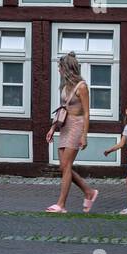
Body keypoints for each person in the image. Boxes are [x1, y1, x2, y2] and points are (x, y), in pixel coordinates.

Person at [45, 52, 99, 213]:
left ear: (66, 68)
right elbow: (63, 109)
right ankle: (89, 192)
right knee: (63, 167)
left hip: (76, 126)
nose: (58, 70)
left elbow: (87, 113)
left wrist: (84, 135)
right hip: (64, 126)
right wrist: (52, 127)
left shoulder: (82, 87)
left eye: (60, 67)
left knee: (66, 165)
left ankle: (61, 204)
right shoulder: (64, 86)